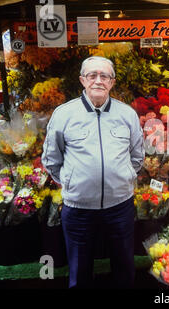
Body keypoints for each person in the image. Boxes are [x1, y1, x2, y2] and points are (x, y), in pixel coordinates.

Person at [42, 56, 144, 288]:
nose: (98, 81)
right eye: (92, 75)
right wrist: (71, 182)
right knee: (79, 272)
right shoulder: (64, 114)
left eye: (104, 76)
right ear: (82, 80)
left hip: (120, 206)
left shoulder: (126, 114)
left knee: (124, 269)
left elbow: (137, 156)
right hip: (78, 209)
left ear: (112, 82)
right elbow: (51, 158)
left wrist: (123, 177)